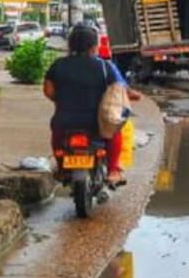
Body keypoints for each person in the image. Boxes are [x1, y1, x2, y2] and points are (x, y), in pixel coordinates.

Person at [43, 25, 138, 186]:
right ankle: (114, 170)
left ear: (70, 45)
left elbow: (48, 90)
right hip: (96, 123)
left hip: (64, 121)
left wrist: (61, 100)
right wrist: (134, 95)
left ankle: (61, 168)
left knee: (57, 137)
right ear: (95, 46)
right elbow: (119, 91)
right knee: (115, 131)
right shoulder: (104, 66)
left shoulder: (58, 65)